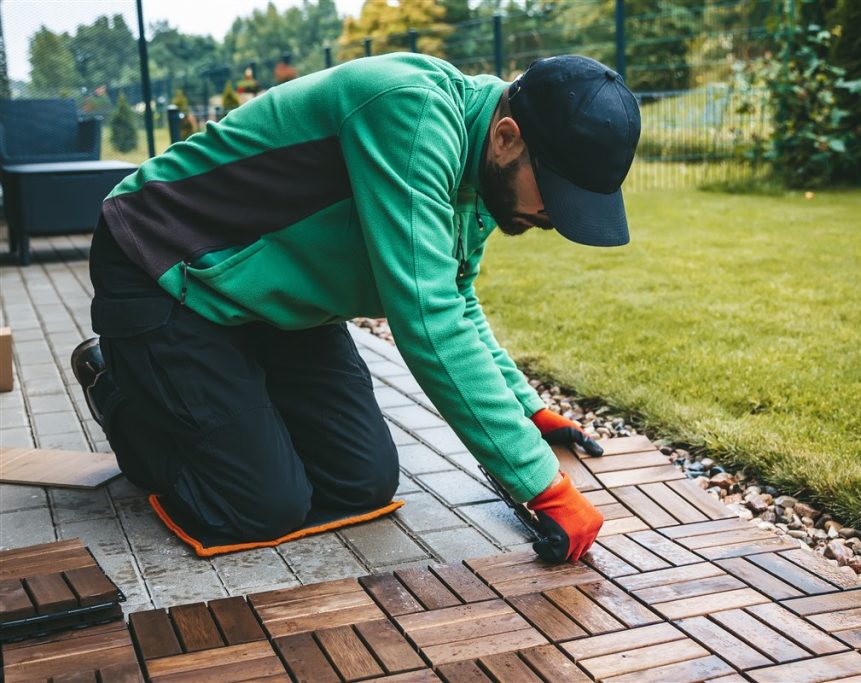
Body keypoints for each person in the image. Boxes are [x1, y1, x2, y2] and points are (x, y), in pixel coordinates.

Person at [72, 52, 641, 562]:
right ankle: (117, 384)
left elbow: (457, 298)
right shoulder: (410, 112)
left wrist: (529, 411)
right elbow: (429, 319)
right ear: (508, 138)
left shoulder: (483, 166)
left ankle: (225, 398)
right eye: (557, 197)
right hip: (164, 265)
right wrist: (546, 489)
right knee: (258, 507)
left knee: (361, 484)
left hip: (273, 299)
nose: (554, 218)